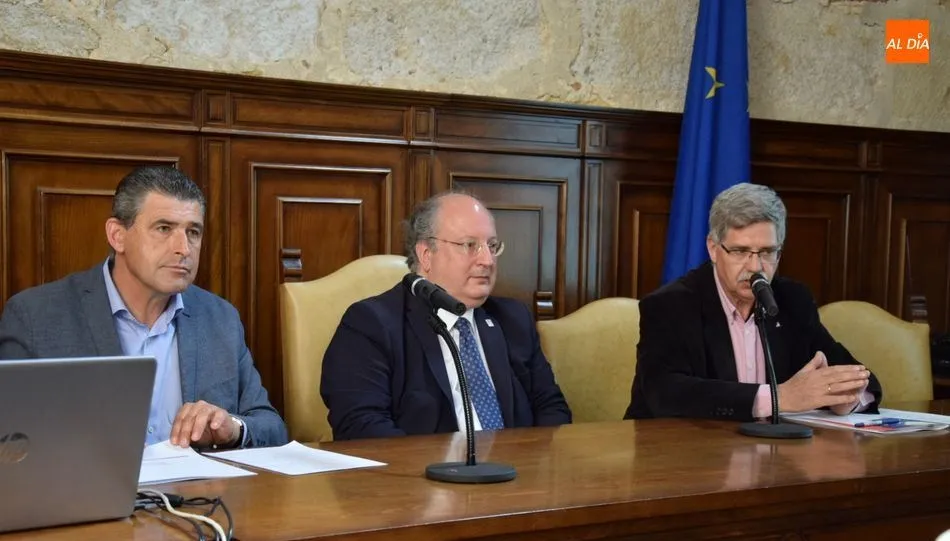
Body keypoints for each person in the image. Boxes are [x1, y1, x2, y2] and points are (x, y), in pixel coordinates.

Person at [0, 166, 288, 449]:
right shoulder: (35, 318)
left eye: (193, 232)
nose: (183, 248)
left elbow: (272, 427)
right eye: (164, 228)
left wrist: (232, 428)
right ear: (117, 235)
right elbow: (9, 442)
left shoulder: (220, 318)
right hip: (88, 482)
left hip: (197, 482)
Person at [321, 191, 571, 440]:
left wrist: (530, 459)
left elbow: (551, 408)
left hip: (517, 462)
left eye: (492, 246)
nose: (487, 260)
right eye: (470, 245)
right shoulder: (371, 324)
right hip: (423, 465)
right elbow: (361, 425)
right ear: (426, 255)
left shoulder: (513, 319)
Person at [625, 183, 881, 421]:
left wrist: (844, 397)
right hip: (677, 448)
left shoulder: (792, 300)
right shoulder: (670, 305)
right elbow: (665, 393)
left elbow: (855, 376)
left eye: (767, 252)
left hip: (768, 451)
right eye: (740, 251)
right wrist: (779, 398)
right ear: (713, 248)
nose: (755, 267)